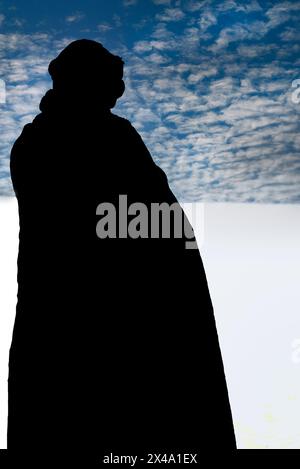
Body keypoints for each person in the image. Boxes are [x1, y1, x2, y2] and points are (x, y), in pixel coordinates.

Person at [8, 39, 236, 459]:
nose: (119, 92)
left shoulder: (39, 141)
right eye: (113, 82)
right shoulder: (101, 138)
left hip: (77, 320)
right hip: (112, 321)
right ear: (88, 80)